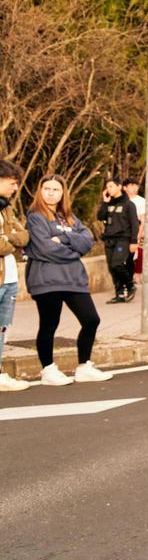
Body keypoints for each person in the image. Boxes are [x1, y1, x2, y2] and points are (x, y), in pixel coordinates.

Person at [24, 175, 110, 385]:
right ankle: (48, 370)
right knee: (49, 324)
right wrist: (74, 249)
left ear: (63, 193)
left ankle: (84, 366)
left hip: (73, 278)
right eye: (47, 188)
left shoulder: (68, 216)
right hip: (47, 279)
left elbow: (87, 240)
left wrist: (63, 239)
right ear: (40, 190)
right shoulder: (35, 217)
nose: (51, 193)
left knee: (91, 319)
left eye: (56, 189)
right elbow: (45, 248)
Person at [0, 160, 31, 391]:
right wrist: (10, 240)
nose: (14, 188)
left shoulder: (6, 207)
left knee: (3, 328)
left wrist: (8, 237)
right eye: (12, 183)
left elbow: (24, 236)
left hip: (9, 277)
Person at [97, 178, 140, 303]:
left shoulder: (129, 204)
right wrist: (105, 202)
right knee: (112, 267)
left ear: (119, 187)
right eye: (107, 187)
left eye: (111, 186)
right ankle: (120, 294)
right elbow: (100, 217)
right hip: (109, 239)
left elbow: (134, 224)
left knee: (117, 264)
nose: (108, 189)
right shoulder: (109, 204)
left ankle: (130, 285)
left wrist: (134, 242)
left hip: (123, 239)